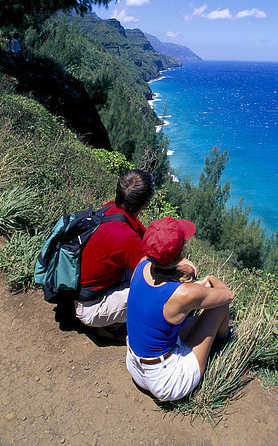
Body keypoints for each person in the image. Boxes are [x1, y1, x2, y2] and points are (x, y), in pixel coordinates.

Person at [126, 216, 234, 401]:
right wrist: (209, 280)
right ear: (180, 253)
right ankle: (223, 343)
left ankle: (207, 342)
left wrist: (183, 267)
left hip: (135, 365)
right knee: (219, 306)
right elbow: (227, 294)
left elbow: (161, 291)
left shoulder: (141, 265)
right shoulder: (183, 294)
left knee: (180, 320)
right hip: (167, 382)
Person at [73, 169, 155, 335]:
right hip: (91, 306)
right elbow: (152, 271)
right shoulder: (125, 237)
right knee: (155, 293)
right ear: (144, 205)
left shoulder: (111, 209)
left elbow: (144, 236)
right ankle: (109, 326)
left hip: (82, 287)